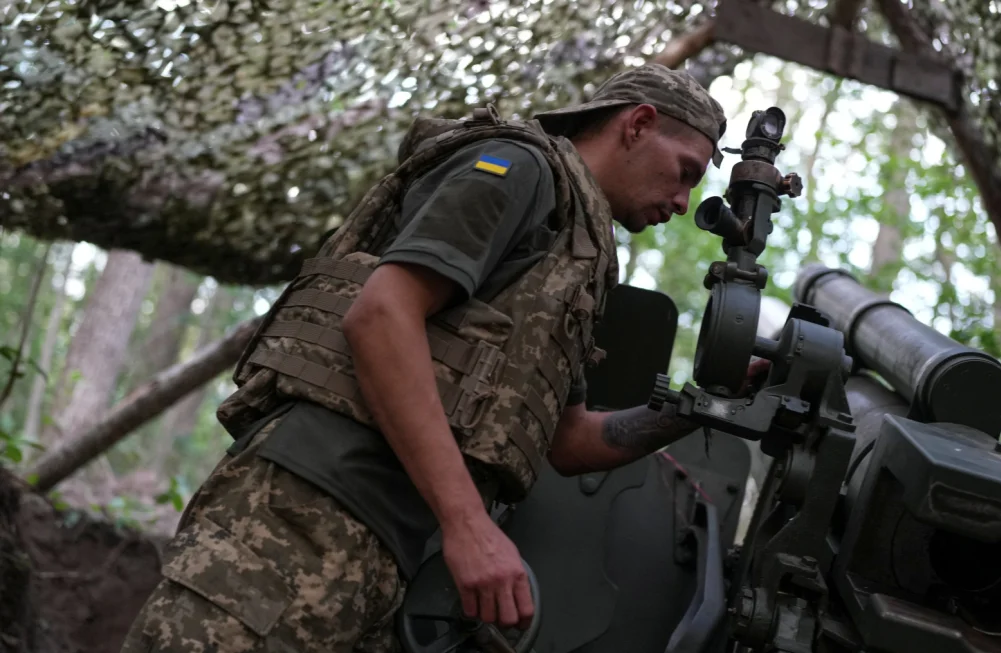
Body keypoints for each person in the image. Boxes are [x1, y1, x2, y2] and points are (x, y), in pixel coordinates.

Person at [120, 63, 751, 652]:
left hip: (385, 550)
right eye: (687, 171)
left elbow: (569, 443)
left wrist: (708, 404)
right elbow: (382, 315)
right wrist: (468, 524)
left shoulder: (578, 257)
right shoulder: (521, 169)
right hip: (301, 512)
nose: (683, 202)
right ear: (637, 124)